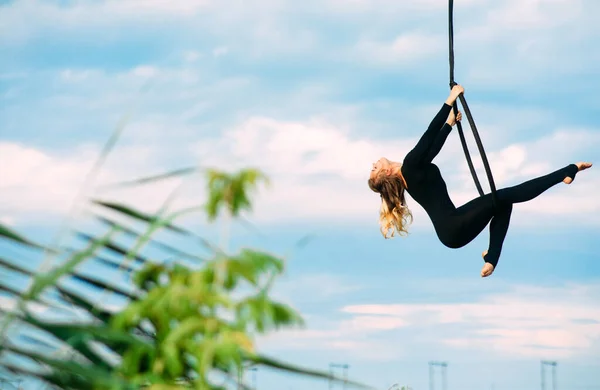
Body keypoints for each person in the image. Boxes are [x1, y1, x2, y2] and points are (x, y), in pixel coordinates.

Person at [368, 84, 593, 277]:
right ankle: (567, 171)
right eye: (375, 168)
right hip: (454, 225)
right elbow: (428, 135)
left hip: (452, 230)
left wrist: (449, 125)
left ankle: (491, 257)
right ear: (387, 173)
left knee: (503, 202)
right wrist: (450, 98)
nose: (374, 163)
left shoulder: (413, 172)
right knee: (504, 196)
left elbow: (432, 149)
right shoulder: (409, 165)